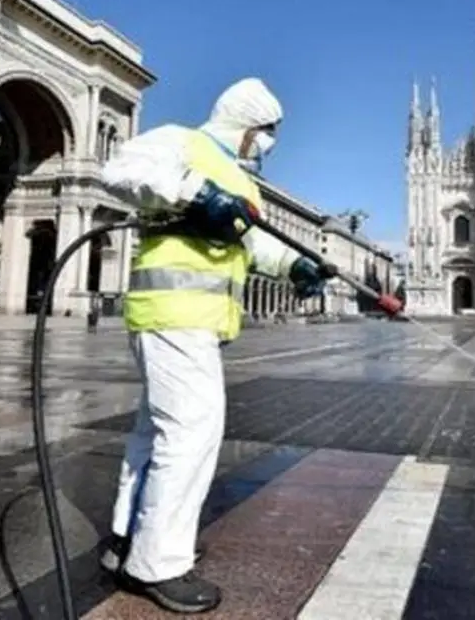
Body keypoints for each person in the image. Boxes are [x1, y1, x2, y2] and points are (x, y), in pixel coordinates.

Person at [95, 77, 335, 614]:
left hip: (195, 319)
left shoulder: (238, 178)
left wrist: (294, 264)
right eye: (266, 131)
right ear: (244, 123)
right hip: (172, 311)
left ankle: (127, 538)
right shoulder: (183, 142)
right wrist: (193, 193)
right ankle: (158, 564)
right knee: (191, 433)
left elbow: (251, 243)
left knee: (154, 433)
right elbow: (119, 170)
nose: (268, 142)